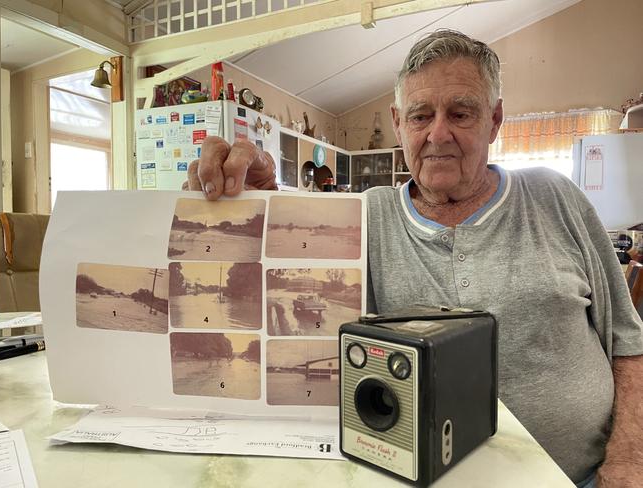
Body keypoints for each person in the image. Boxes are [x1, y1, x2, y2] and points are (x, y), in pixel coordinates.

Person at [185, 30, 643, 488]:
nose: (437, 133)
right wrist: (255, 207)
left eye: (461, 113)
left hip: (582, 478)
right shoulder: (366, 214)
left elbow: (629, 341)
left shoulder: (555, 196)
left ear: (496, 119)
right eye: (421, 115)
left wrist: (628, 460)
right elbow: (273, 285)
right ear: (399, 122)